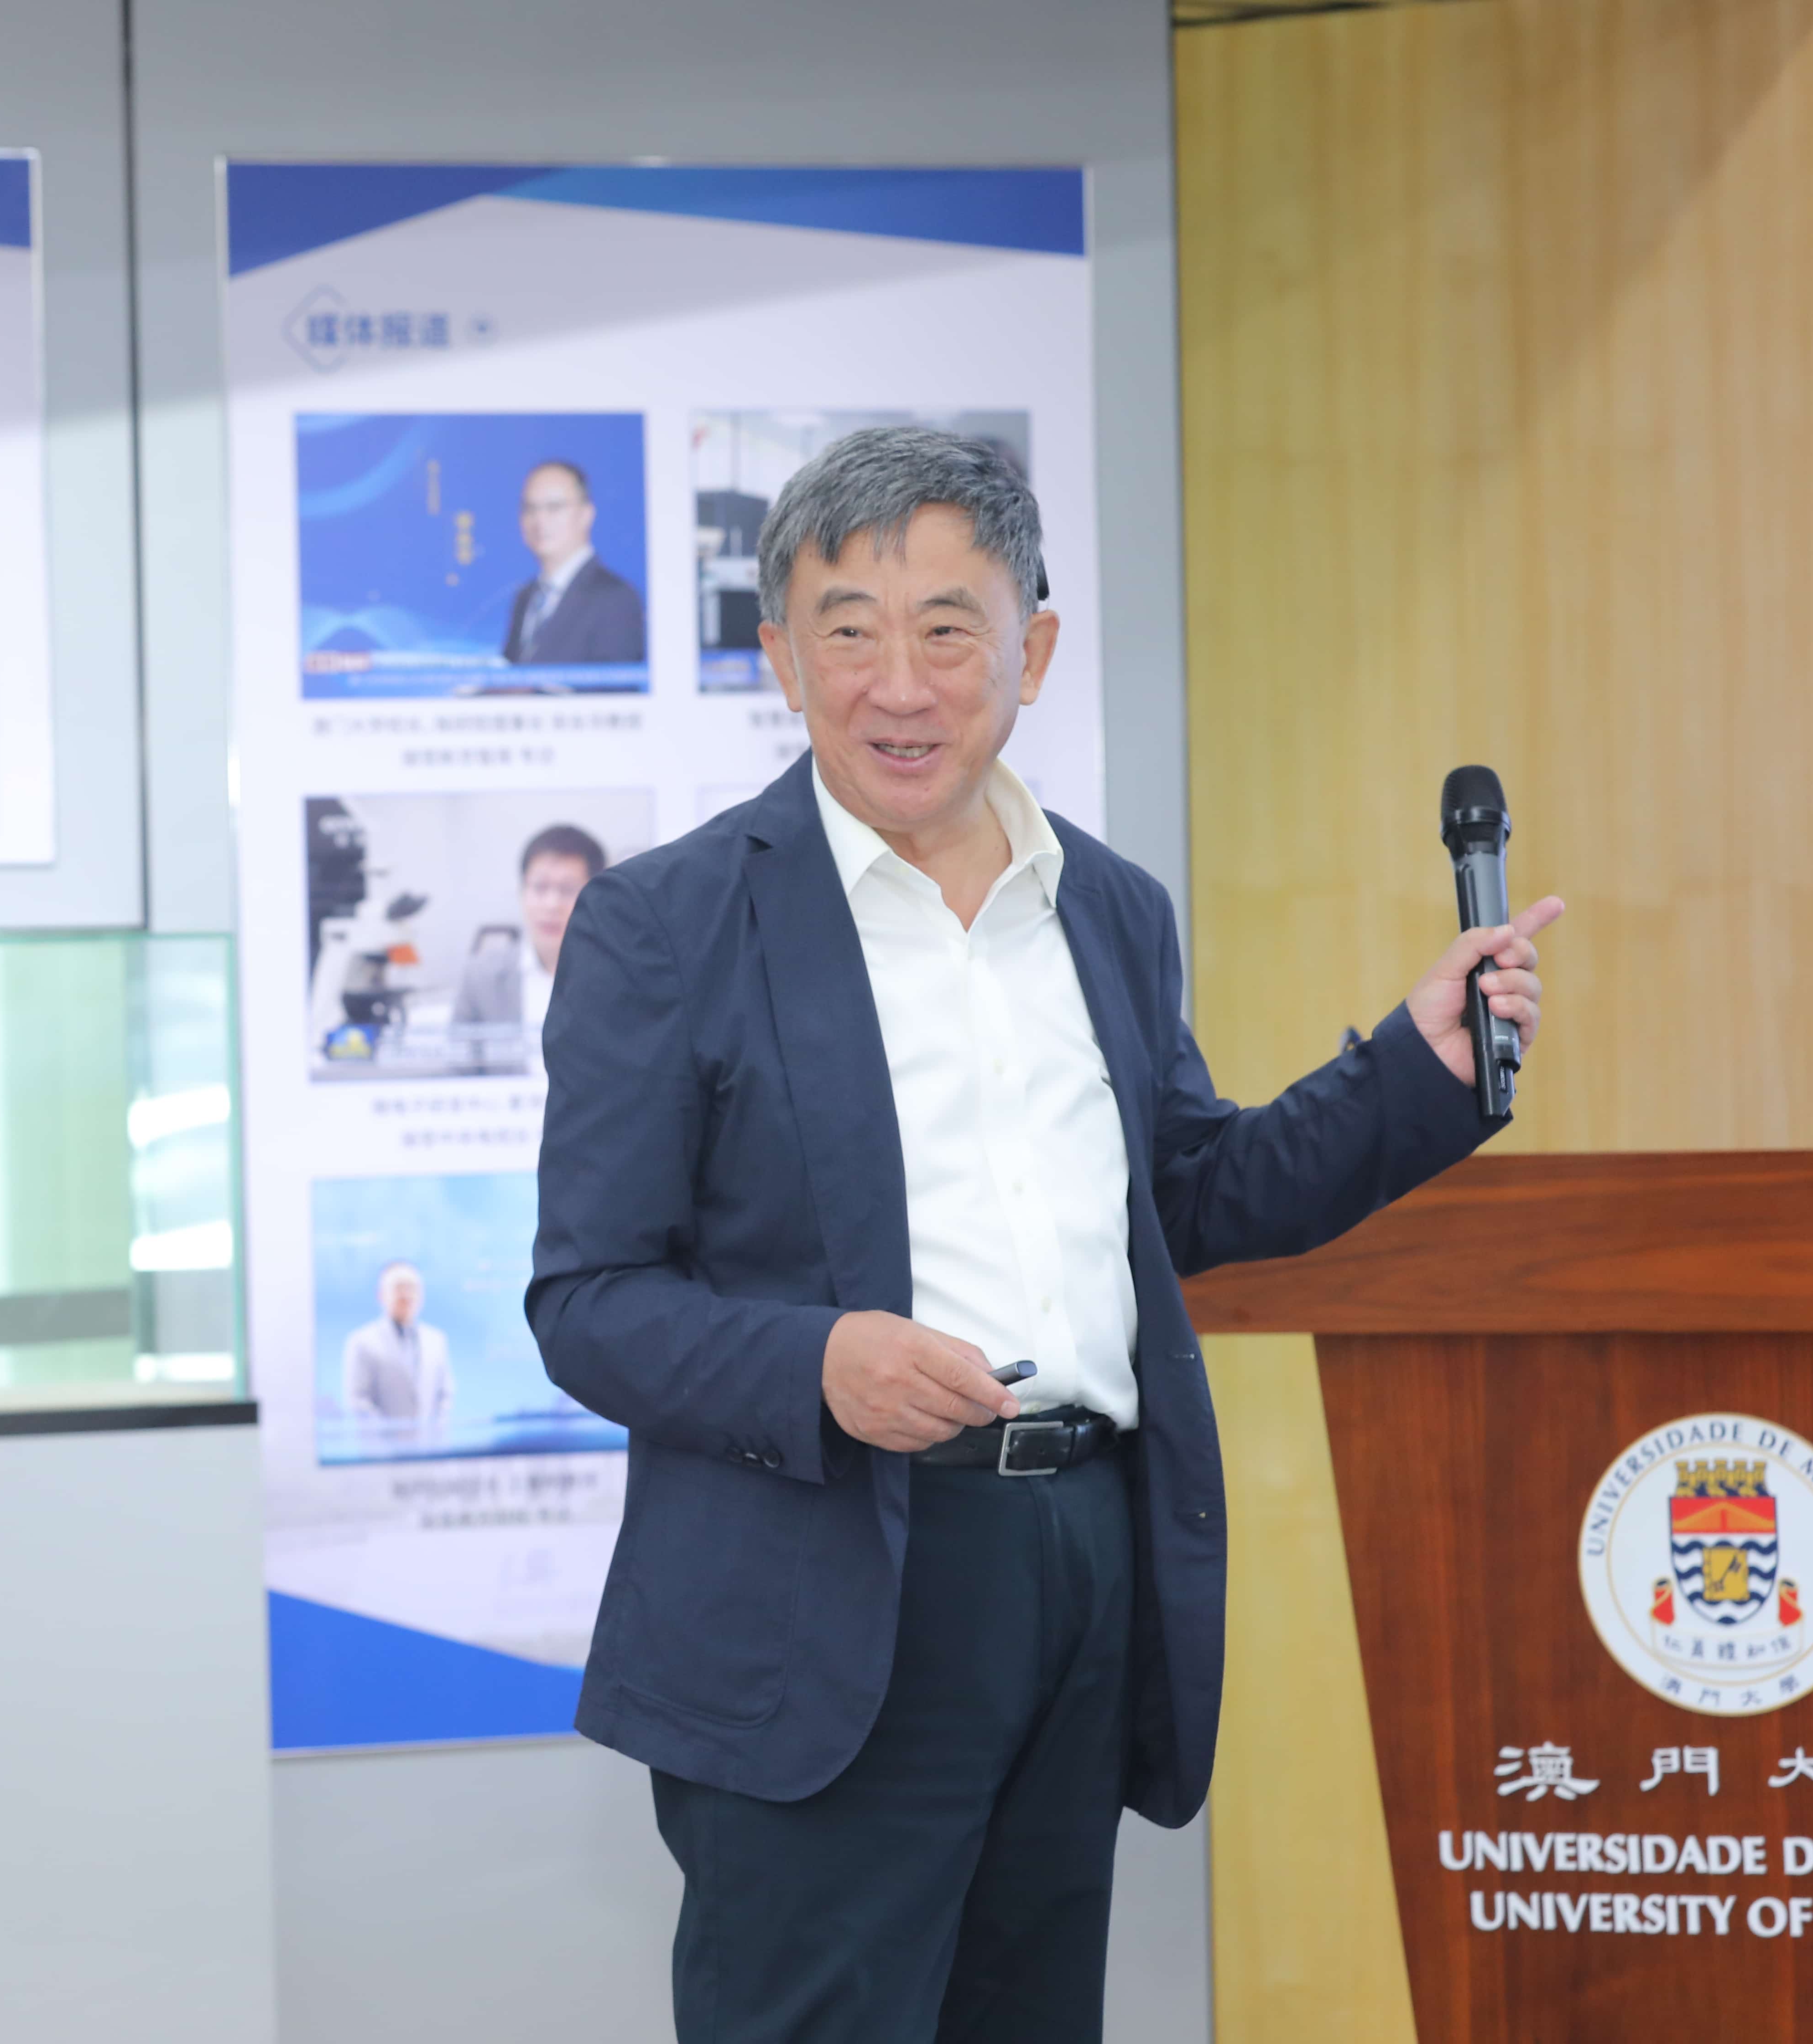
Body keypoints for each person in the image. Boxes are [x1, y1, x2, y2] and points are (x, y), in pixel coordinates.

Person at [526, 425, 1561, 2043]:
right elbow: (588, 1298)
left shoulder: (1107, 906)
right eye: (848, 630)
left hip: (1079, 1557)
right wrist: (819, 1363)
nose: (898, 683)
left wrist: (1407, 1074)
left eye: (948, 628)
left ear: (1034, 651)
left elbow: (1184, 1196)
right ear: (780, 658)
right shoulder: (668, 921)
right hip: (829, 1579)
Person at [451, 823, 607, 1070]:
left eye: (568, 889)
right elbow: (458, 1071)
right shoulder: (481, 977)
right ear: (522, 892)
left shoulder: (621, 976)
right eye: (540, 887)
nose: (552, 904)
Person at [500, 460, 645, 665]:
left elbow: (614, 681)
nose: (540, 520)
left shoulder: (615, 598)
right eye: (530, 509)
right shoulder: (526, 597)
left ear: (586, 514)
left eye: (554, 507)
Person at [341, 1261, 452, 1429]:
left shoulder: (437, 1340)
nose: (407, 1295)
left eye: (413, 1288)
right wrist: (388, 1437)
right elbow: (358, 1400)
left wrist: (435, 1434)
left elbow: (445, 1395)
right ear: (381, 1295)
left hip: (430, 1443)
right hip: (383, 1444)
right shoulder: (362, 1342)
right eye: (400, 1288)